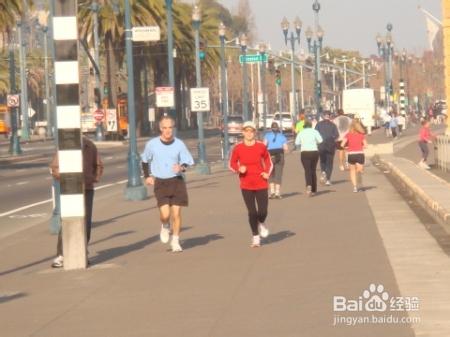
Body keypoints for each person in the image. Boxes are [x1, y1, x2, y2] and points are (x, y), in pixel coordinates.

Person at [141, 116, 194, 252]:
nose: (168, 131)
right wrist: (147, 176)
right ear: (160, 129)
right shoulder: (152, 144)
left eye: (170, 127)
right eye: (165, 128)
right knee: (165, 214)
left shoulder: (179, 144)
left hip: (176, 181)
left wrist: (181, 167)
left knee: (176, 214)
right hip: (161, 182)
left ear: (173, 128)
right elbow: (145, 160)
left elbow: (187, 161)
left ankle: (175, 240)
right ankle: (165, 225)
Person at [50, 136, 104, 268]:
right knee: (68, 220)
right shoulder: (64, 145)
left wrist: (92, 179)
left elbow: (98, 165)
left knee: (86, 223)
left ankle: (82, 251)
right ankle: (62, 254)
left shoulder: (90, 146)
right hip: (70, 189)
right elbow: (55, 167)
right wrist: (65, 178)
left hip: (87, 189)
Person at [229, 121, 273, 248]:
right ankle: (255, 237)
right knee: (252, 212)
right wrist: (239, 169)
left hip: (261, 183)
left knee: (263, 211)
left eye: (251, 131)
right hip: (246, 184)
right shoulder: (238, 148)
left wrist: (266, 173)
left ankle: (262, 222)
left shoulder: (261, 146)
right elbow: (231, 164)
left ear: (255, 133)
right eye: (246, 131)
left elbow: (268, 161)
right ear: (242, 132)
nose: (249, 133)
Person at [295, 120, 323, 197]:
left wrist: (303, 142)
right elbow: (320, 140)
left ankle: (308, 185)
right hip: (314, 152)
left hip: (305, 152)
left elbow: (297, 143)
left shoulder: (301, 132)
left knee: (307, 170)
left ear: (304, 126)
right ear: (310, 126)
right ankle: (314, 189)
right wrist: (314, 142)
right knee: (313, 170)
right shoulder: (315, 132)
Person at [263, 121, 288, 199]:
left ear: (271, 128)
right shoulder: (282, 136)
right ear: (278, 128)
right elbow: (286, 148)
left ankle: (272, 192)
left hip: (270, 155)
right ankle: (277, 193)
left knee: (270, 173)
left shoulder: (267, 135)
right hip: (280, 155)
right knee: (278, 174)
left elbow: (264, 146)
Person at [341, 119, 367, 193]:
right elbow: (365, 145)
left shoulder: (348, 135)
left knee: (352, 171)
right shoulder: (361, 135)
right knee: (360, 168)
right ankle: (359, 170)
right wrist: (361, 146)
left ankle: (355, 187)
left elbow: (342, 144)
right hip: (360, 154)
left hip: (351, 154)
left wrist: (346, 148)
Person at [315, 111, 339, 185]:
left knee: (322, 160)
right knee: (330, 163)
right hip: (330, 146)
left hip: (321, 145)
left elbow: (316, 134)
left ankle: (323, 171)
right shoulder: (333, 125)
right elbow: (336, 135)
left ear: (323, 116)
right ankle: (328, 180)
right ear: (329, 116)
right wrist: (332, 138)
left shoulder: (318, 125)